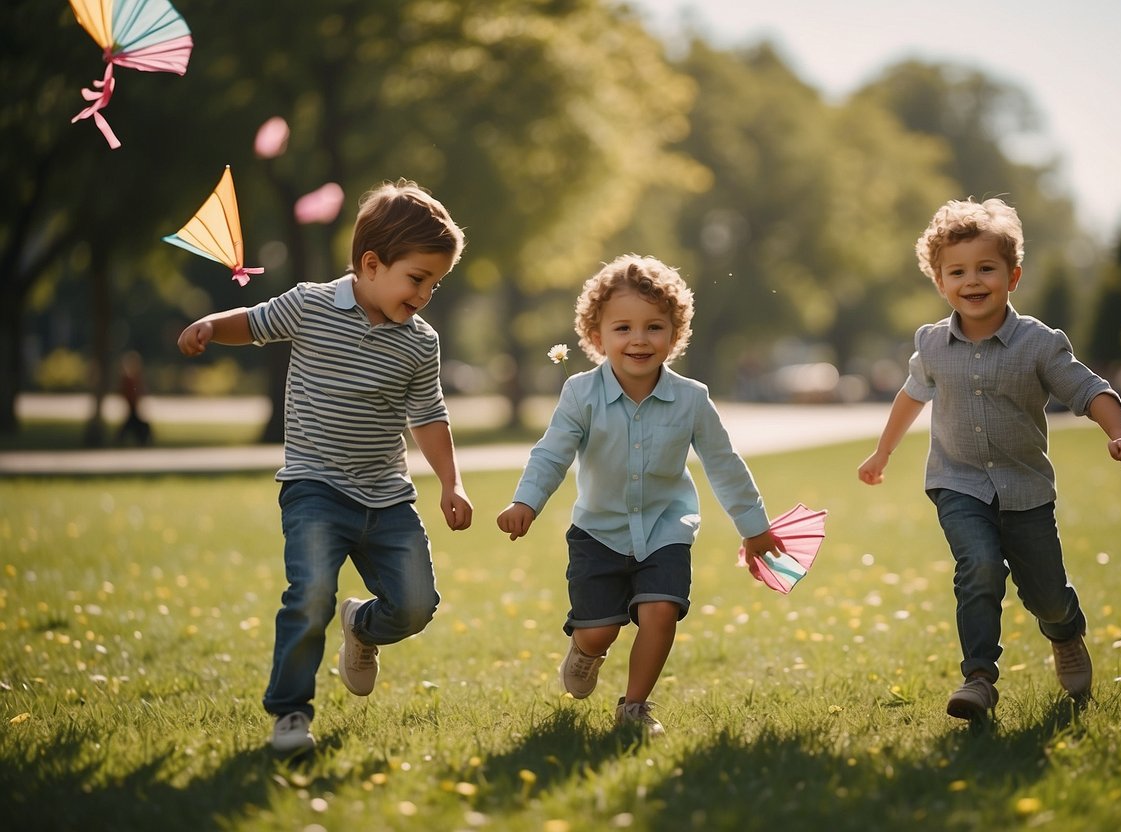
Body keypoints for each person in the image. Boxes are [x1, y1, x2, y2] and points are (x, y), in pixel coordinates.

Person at [177, 179, 473, 753]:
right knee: (309, 594)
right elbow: (256, 321)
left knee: (416, 605)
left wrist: (451, 482)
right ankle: (290, 715)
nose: (426, 294)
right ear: (370, 262)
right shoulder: (312, 304)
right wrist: (213, 325)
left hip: (387, 497)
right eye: (418, 278)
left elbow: (429, 416)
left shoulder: (421, 342)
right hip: (314, 486)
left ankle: (361, 626)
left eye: (435, 283)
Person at [857, 197, 1121, 721]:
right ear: (940, 282)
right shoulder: (932, 344)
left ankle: (1065, 630)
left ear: (1012, 277)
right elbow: (910, 396)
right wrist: (883, 451)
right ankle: (979, 678)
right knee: (980, 566)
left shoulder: (1038, 344)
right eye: (957, 271)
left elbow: (1088, 389)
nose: (972, 281)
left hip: (1026, 489)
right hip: (957, 483)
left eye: (986, 268)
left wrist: (1118, 431)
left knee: (1047, 594)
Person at [496, 254, 782, 736]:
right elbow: (552, 454)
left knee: (661, 610)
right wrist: (526, 502)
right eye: (623, 328)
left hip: (666, 527)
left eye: (654, 327)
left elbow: (723, 463)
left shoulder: (692, 398)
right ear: (596, 337)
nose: (639, 339)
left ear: (675, 334)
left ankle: (634, 707)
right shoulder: (580, 394)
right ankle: (587, 650)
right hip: (597, 531)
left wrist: (754, 528)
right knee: (599, 628)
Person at [115, 350, 152, 446]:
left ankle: (124, 439)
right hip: (131, 404)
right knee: (133, 423)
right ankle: (142, 439)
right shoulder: (127, 379)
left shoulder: (134, 378)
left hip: (133, 404)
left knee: (131, 423)